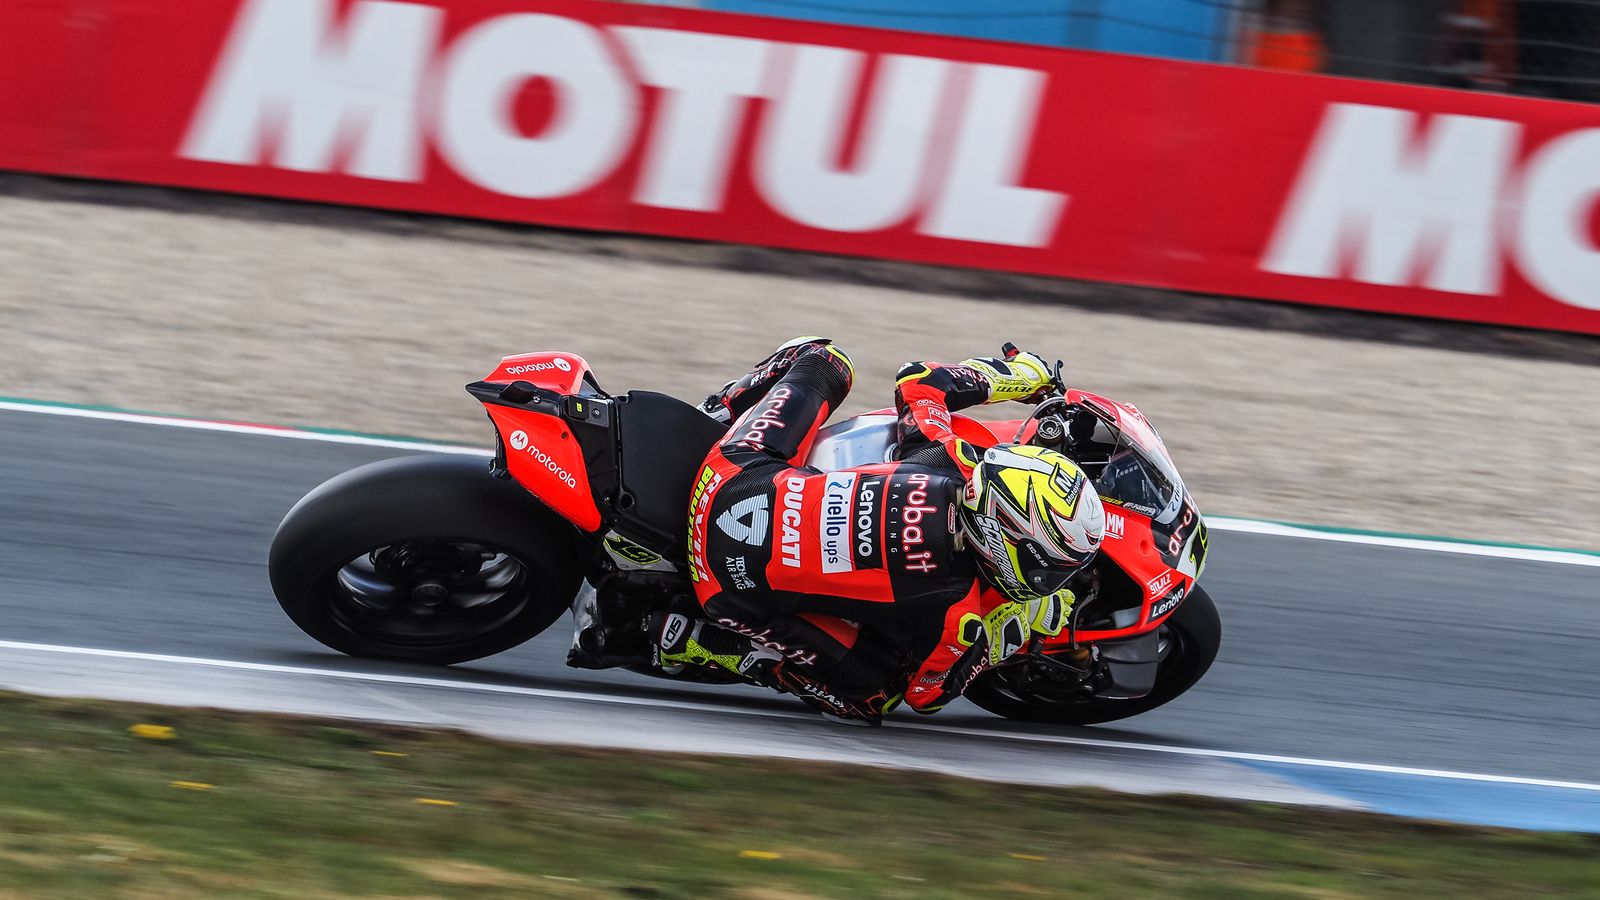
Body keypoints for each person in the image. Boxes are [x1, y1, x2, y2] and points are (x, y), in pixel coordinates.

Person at [664, 337, 1105, 724]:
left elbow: (918, 381)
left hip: (729, 475)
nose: (1054, 577)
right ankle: (704, 643)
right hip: (726, 592)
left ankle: (718, 412)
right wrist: (1014, 630)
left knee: (824, 358)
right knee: (875, 696)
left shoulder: (946, 457)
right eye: (1049, 564)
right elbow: (926, 695)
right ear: (1001, 538)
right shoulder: (957, 609)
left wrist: (1022, 376)